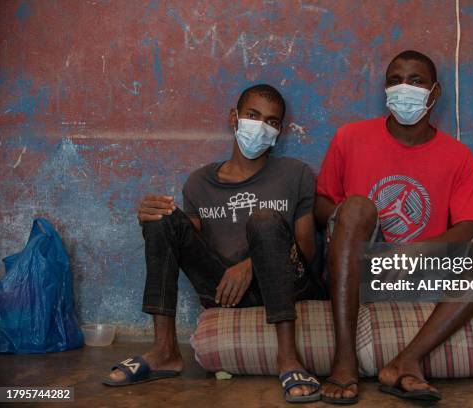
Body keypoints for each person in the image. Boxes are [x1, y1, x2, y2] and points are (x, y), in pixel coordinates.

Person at [103, 84, 326, 403]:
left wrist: (251, 265)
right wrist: (153, 222)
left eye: (272, 121)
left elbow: (307, 249)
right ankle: (165, 351)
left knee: (264, 219)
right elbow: (188, 246)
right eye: (252, 115)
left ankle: (288, 359)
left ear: (280, 130)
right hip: (225, 291)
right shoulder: (199, 182)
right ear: (234, 118)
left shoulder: (296, 174)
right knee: (161, 217)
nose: (261, 126)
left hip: (287, 282)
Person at [315, 50, 473, 403]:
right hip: (360, 270)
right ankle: (344, 359)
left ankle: (407, 360)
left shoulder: (458, 155)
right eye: (395, 80)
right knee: (357, 206)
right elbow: (321, 205)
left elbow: (467, 226)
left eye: (415, 80)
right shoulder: (350, 138)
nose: (404, 87)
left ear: (434, 94)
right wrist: (355, 227)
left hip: (421, 273)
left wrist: (416, 251)